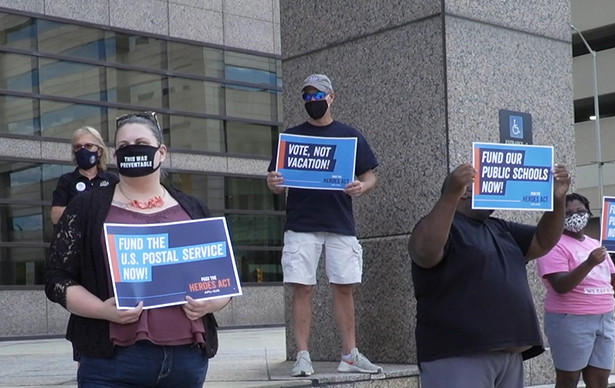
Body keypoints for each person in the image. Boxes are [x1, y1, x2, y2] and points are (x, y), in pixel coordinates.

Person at [45, 111, 230, 387]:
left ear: (162, 152)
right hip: (111, 364)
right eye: (123, 146)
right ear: (116, 157)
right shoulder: (86, 208)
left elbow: (223, 280)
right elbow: (56, 279)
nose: (132, 149)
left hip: (186, 361)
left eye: (141, 141)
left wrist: (210, 303)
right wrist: (102, 310)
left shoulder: (193, 208)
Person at [408, 162, 571, 388]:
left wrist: (557, 201)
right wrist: (449, 196)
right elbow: (424, 252)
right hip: (459, 354)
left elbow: (543, 242)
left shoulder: (500, 227)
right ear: (464, 192)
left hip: (509, 356)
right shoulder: (443, 227)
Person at [267, 74, 381, 377]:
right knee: (302, 289)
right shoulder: (291, 138)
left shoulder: (349, 136)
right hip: (301, 225)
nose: (312, 102)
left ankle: (350, 355)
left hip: (340, 224)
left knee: (344, 289)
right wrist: (274, 183)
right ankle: (303, 356)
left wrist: (362, 186)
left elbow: (371, 176)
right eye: (307, 97)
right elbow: (276, 183)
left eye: (318, 96)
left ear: (331, 97)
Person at [536, 192, 615, 388]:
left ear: (589, 213)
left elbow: (614, 284)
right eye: (569, 212)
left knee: (599, 380)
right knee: (568, 380)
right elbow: (561, 286)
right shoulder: (552, 245)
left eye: (580, 211)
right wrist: (589, 263)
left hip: (605, 318)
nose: (576, 215)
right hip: (571, 319)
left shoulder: (595, 244)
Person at [51, 126, 118, 225]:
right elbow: (55, 217)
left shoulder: (111, 179)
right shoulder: (67, 180)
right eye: (78, 147)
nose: (83, 150)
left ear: (99, 151)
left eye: (88, 146)